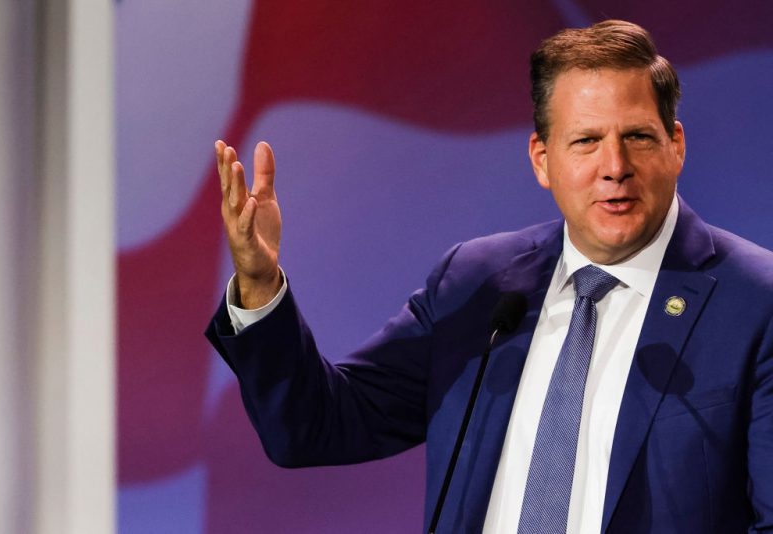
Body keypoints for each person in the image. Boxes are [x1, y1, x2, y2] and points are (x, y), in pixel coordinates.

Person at [205, 20, 773, 533]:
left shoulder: (755, 303)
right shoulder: (479, 286)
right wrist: (258, 282)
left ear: (675, 145)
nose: (615, 167)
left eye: (639, 137)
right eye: (585, 141)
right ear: (542, 159)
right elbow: (315, 426)